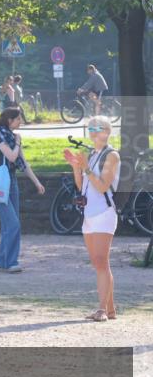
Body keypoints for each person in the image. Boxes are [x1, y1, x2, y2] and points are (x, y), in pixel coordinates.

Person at [64, 116, 120, 322]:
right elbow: (82, 186)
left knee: (101, 261)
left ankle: (102, 310)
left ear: (106, 131)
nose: (92, 132)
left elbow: (103, 186)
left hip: (105, 213)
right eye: (90, 128)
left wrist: (86, 167)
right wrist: (76, 167)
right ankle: (110, 309)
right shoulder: (92, 154)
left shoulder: (111, 155)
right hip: (88, 214)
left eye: (96, 128)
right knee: (98, 263)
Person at [0, 108, 46, 273]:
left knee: (9, 224)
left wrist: (37, 183)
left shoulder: (13, 137)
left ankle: (3, 261)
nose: (20, 122)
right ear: (9, 120)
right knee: (12, 223)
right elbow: (11, 156)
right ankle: (10, 262)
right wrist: (17, 142)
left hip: (11, 182)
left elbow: (22, 162)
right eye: (18, 119)